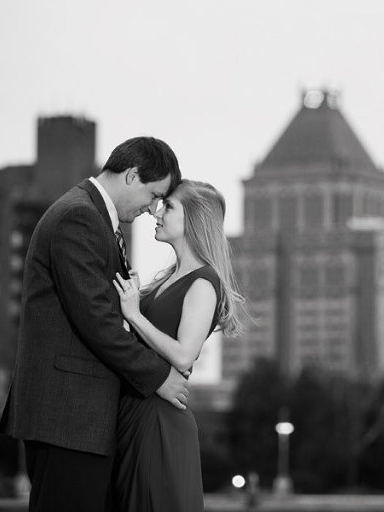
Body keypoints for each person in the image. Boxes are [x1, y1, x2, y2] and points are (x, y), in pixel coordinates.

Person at [0, 137, 191, 512]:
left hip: (77, 418)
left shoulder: (92, 216)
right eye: (154, 195)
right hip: (68, 417)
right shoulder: (78, 216)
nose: (154, 209)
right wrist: (159, 377)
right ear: (133, 175)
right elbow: (97, 321)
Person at [112, 179, 245, 511]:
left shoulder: (203, 282)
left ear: (194, 220)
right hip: (137, 413)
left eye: (168, 206)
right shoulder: (167, 277)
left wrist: (134, 314)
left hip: (160, 423)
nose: (157, 212)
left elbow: (184, 356)